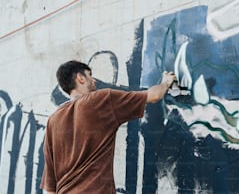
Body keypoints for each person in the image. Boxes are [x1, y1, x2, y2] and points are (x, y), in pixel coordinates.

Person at [40, 60, 176, 194]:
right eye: (90, 75)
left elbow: (50, 186)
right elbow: (154, 96)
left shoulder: (53, 120)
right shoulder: (100, 100)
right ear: (80, 78)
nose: (94, 81)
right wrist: (166, 82)